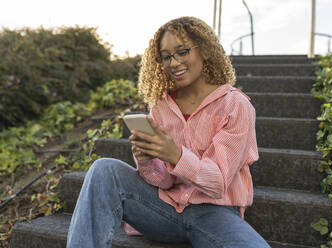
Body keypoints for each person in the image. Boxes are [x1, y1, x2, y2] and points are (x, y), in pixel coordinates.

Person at [66, 16, 270, 248]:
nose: (173, 63)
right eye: (166, 57)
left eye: (182, 52)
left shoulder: (235, 105)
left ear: (204, 50)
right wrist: (147, 161)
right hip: (162, 211)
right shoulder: (161, 108)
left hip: (215, 214)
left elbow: (219, 183)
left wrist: (175, 154)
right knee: (103, 169)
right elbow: (162, 182)